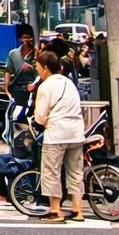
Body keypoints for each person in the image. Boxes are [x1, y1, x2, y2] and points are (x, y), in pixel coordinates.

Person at [33, 49, 86, 222]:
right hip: (77, 133)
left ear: (45, 68)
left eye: (38, 66)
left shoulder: (45, 86)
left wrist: (44, 119)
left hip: (56, 134)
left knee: (51, 171)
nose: (37, 70)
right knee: (75, 172)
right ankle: (77, 210)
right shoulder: (69, 83)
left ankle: (55, 211)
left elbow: (40, 118)